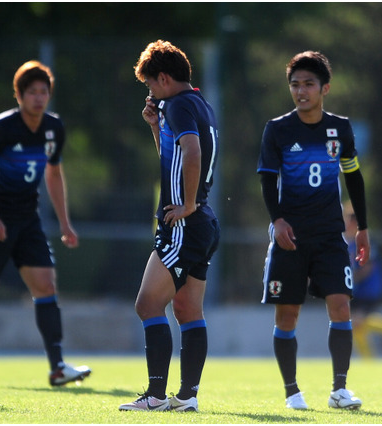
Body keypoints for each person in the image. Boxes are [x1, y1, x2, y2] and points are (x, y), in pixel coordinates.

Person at [0, 60, 91, 388]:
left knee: (46, 286)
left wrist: (65, 223)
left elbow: (54, 174)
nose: (39, 98)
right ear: (19, 95)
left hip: (28, 221)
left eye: (44, 92)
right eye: (32, 92)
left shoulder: (54, 128)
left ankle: (57, 367)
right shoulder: (0, 127)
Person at [257, 51, 369, 410]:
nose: (301, 91)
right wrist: (277, 221)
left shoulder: (341, 129)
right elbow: (267, 179)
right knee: (287, 315)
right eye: (295, 84)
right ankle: (292, 392)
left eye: (308, 84)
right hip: (291, 239)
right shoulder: (278, 129)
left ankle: (339, 390)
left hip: (330, 237)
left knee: (340, 305)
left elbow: (353, 176)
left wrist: (363, 227)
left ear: (325, 88)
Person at [119, 40, 220, 412]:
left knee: (147, 304)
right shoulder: (197, 103)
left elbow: (191, 151)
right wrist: (154, 126)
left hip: (185, 223)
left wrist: (188, 204)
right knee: (188, 310)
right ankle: (187, 396)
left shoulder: (177, 104)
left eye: (150, 85)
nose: (150, 92)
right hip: (203, 222)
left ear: (163, 78)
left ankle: (157, 396)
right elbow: (175, 155)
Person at [343, 201, 382, 358]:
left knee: (357, 322)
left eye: (350, 219)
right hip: (357, 291)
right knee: (355, 325)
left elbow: (367, 268)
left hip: (368, 290)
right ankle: (368, 361)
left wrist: (348, 281)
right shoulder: (348, 243)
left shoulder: (364, 240)